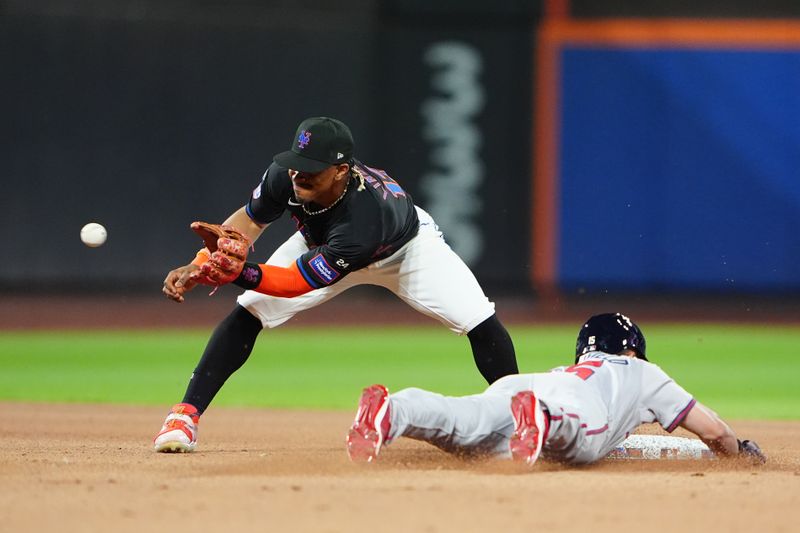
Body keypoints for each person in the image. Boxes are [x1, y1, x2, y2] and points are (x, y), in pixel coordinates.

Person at [154, 116, 518, 452]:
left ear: (342, 170)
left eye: (312, 168)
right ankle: (184, 415)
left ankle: (520, 419)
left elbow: (296, 282)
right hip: (319, 241)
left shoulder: (365, 215)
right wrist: (200, 263)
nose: (299, 173)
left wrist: (239, 273)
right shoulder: (285, 173)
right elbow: (246, 224)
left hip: (405, 251)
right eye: (297, 162)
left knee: (478, 319)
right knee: (249, 312)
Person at [345, 312, 766, 466]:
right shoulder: (641, 371)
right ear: (634, 349)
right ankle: (543, 420)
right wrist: (740, 451)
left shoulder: (569, 368)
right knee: (581, 441)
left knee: (465, 424)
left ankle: (394, 411)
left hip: (528, 384)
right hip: (569, 406)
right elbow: (712, 431)